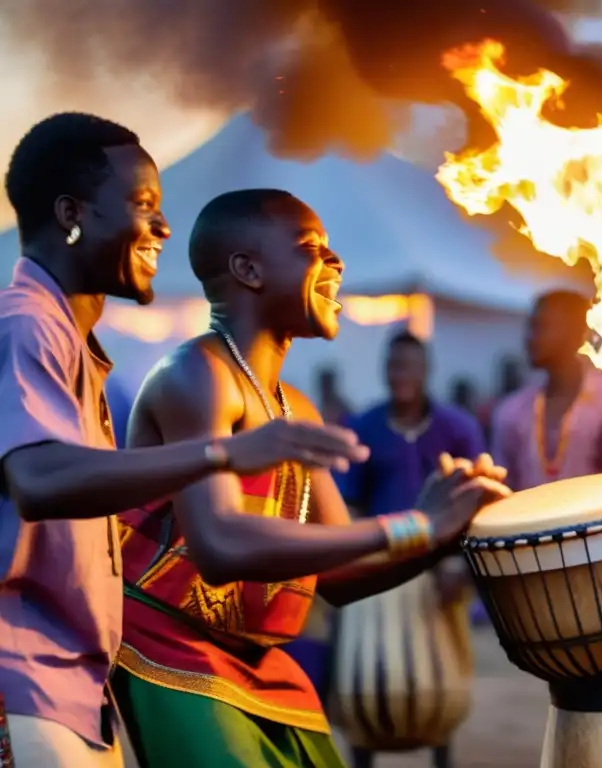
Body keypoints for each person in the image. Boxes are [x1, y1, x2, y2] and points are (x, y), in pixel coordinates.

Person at [0, 115, 362, 768]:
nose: (164, 227)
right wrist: (222, 453)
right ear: (70, 214)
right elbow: (38, 479)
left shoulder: (73, 343)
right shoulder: (28, 326)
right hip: (22, 678)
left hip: (73, 686)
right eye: (142, 206)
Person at [112, 189, 509, 768]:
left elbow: (337, 574)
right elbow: (220, 545)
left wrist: (446, 531)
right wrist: (412, 524)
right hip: (174, 652)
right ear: (248, 270)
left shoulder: (297, 406)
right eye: (310, 247)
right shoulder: (195, 374)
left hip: (264, 665)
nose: (336, 262)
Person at [334, 331, 487, 768]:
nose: (400, 374)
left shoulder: (457, 428)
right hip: (379, 567)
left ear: (425, 371)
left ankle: (442, 757)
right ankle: (362, 757)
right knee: (366, 675)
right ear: (386, 371)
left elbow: (475, 496)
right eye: (394, 365)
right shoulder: (362, 428)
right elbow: (350, 505)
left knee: (438, 674)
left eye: (409, 366)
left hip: (438, 569)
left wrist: (457, 561)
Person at [491, 289, 602, 491]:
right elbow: (502, 491)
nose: (530, 338)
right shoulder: (511, 412)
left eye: (541, 327)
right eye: (530, 327)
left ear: (574, 334)